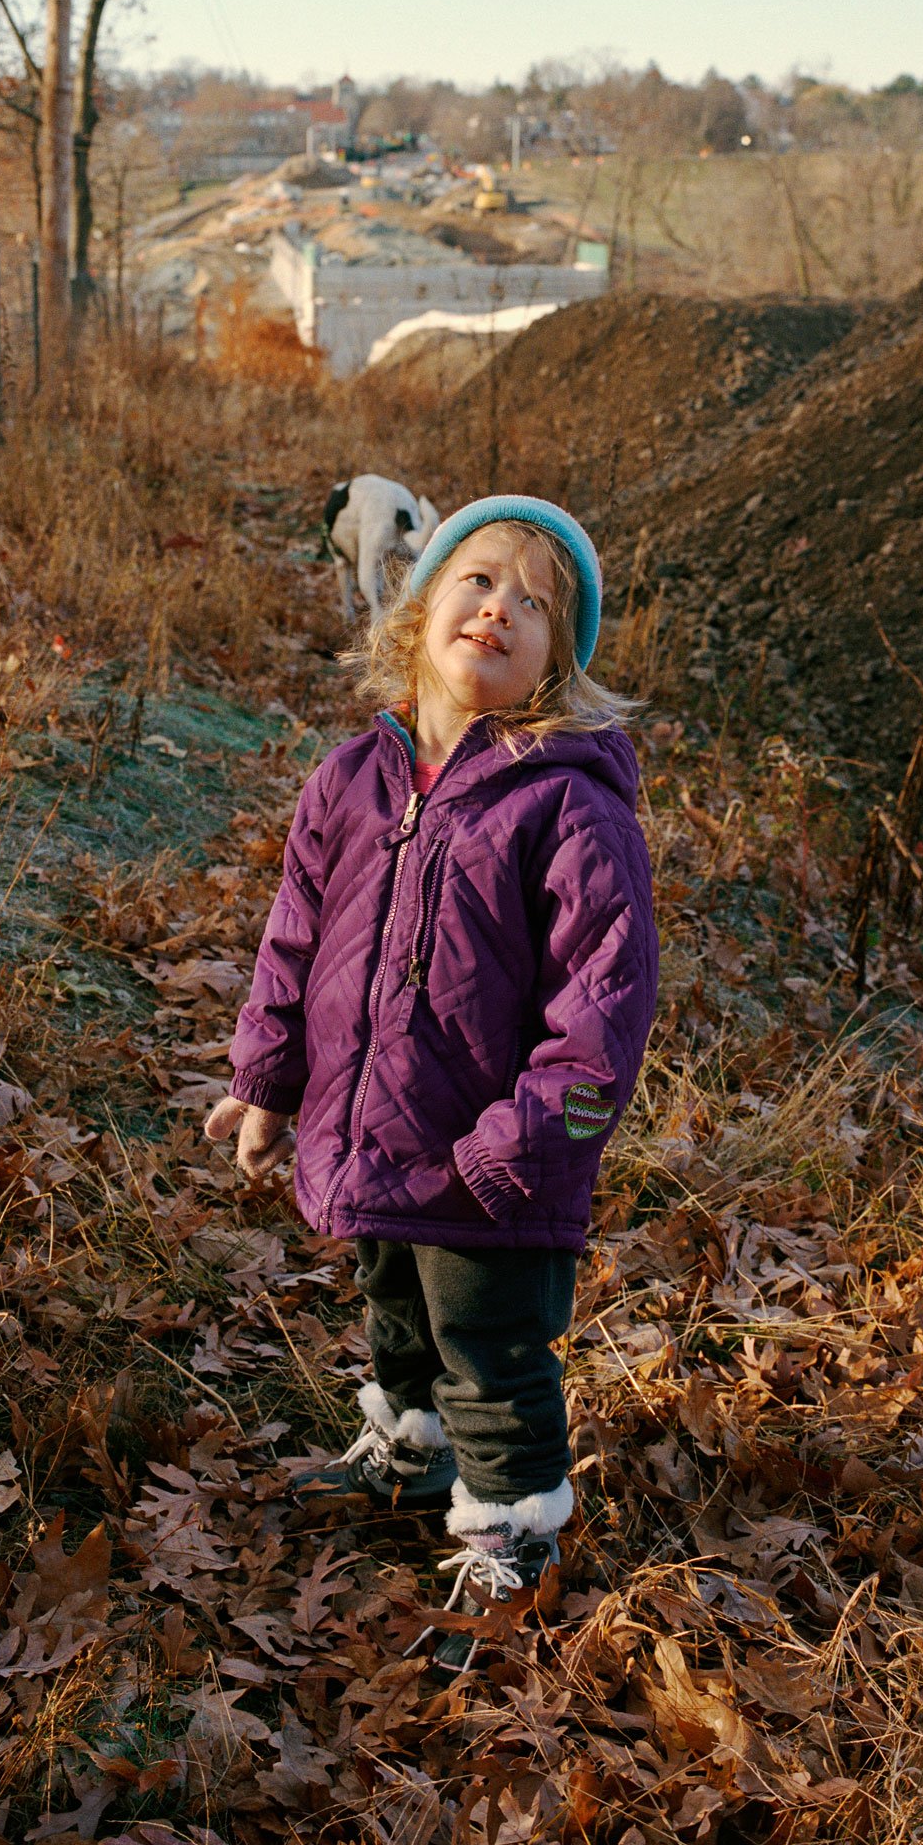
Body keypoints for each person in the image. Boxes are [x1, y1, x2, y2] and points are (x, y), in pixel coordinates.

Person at [206, 495, 658, 1662]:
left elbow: (602, 1009)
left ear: (560, 664)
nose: (499, 608)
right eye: (478, 579)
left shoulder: (569, 806)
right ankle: (411, 1446)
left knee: (493, 1349)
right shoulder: (352, 777)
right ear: (418, 608)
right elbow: (295, 935)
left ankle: (514, 1534)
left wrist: (520, 1143)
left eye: (536, 605)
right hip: (375, 1131)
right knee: (395, 1306)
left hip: (492, 1162)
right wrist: (267, 1080)